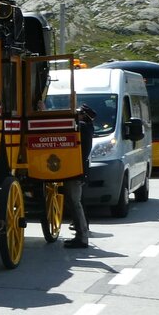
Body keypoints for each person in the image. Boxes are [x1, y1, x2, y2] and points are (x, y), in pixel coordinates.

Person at [64, 103, 97, 249]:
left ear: (84, 116)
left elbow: (69, 125)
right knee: (75, 202)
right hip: (78, 170)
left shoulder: (82, 127)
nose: (76, 115)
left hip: (76, 170)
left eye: (79, 113)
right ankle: (81, 235)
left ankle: (82, 237)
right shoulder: (86, 128)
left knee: (75, 203)